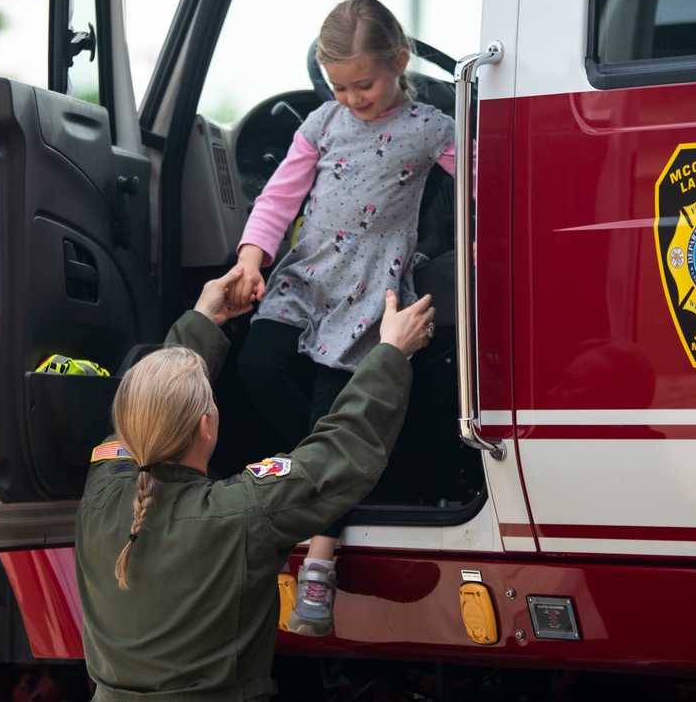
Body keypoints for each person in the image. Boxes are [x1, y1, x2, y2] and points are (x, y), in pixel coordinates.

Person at [75, 265, 435, 702]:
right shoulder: (240, 514)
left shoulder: (102, 488)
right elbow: (344, 448)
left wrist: (203, 319)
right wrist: (391, 351)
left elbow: (146, 412)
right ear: (205, 428)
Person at [228, 0, 456, 636]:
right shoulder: (321, 124)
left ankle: (319, 569)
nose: (354, 97)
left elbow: (486, 177)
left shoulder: (430, 128)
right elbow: (278, 199)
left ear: (399, 63)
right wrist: (251, 260)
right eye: (340, 86)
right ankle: (333, 467)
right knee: (258, 365)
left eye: (366, 84)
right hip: (304, 278)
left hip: (365, 295)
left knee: (336, 415)